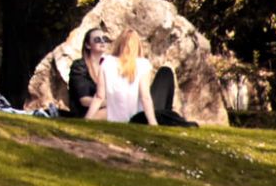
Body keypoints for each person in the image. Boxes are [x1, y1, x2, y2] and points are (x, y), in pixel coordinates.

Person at [67, 26, 196, 126]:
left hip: (123, 112)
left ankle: (166, 117)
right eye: (97, 40)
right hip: (138, 114)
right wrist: (153, 123)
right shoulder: (82, 66)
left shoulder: (106, 62)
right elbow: (145, 97)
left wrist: (88, 120)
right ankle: (166, 117)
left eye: (104, 39)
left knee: (165, 74)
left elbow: (99, 96)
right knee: (166, 74)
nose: (102, 42)